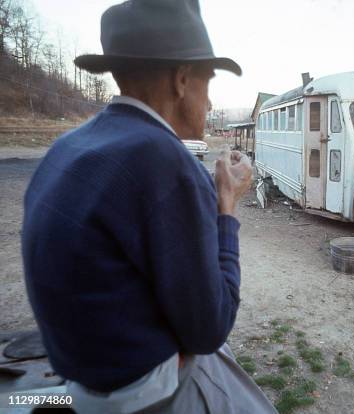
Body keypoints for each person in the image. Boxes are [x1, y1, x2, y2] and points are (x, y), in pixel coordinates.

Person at [21, 0, 277, 412]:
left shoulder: (68, 146)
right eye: (207, 84)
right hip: (142, 392)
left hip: (82, 376)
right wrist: (226, 205)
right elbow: (209, 329)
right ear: (180, 79)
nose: (209, 104)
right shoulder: (165, 161)